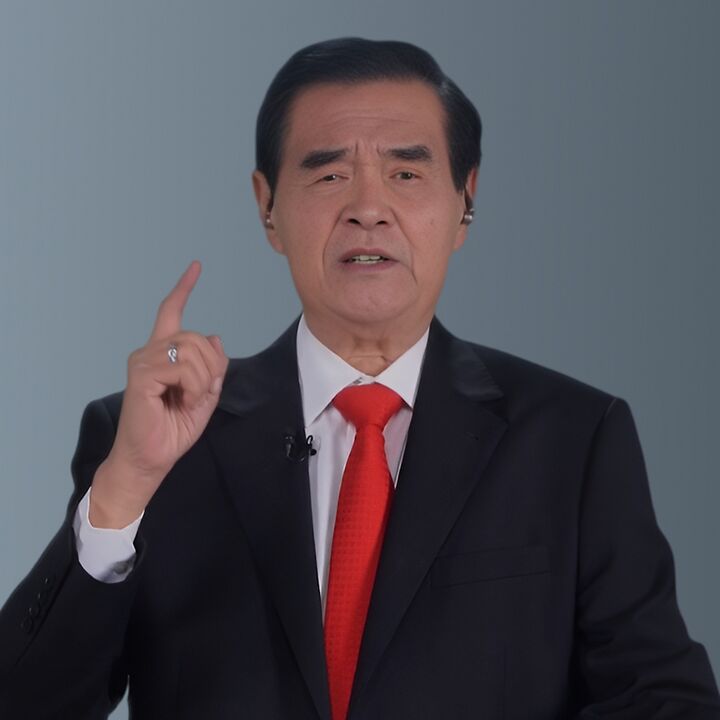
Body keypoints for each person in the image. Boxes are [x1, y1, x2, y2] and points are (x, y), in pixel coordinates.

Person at [0, 36, 718, 720]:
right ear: (268, 208)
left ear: (465, 201)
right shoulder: (153, 438)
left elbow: (662, 699)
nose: (368, 209)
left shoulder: (572, 439)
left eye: (406, 174)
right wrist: (125, 487)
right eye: (329, 174)